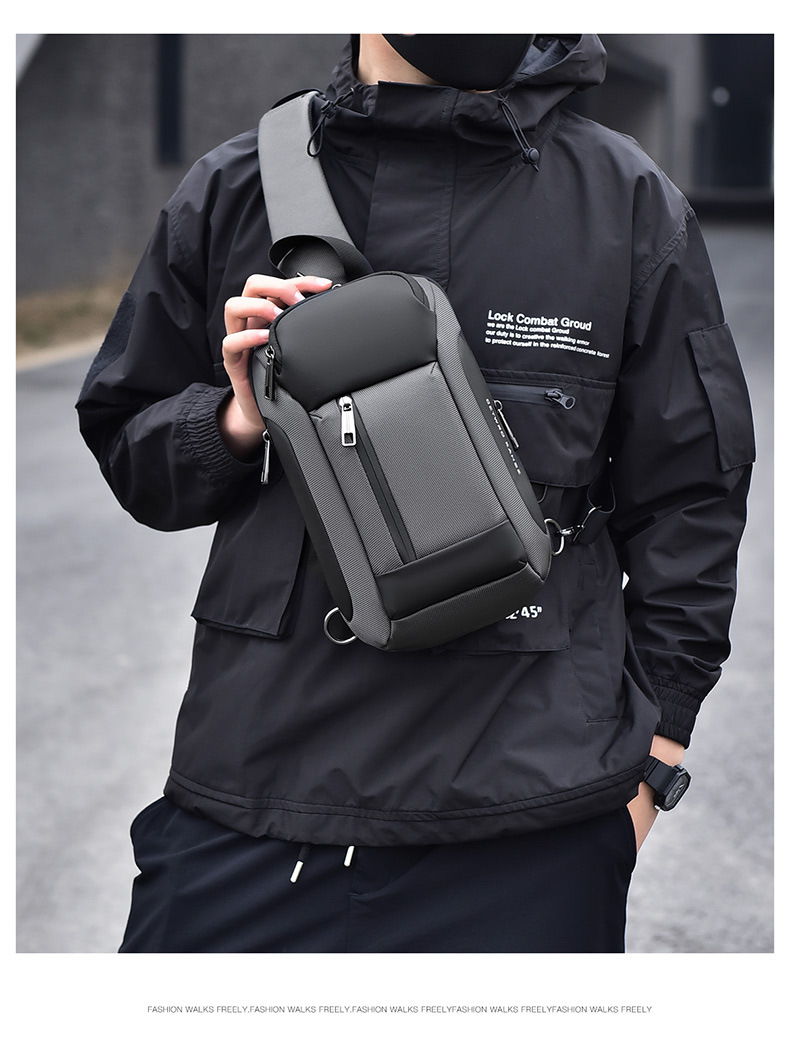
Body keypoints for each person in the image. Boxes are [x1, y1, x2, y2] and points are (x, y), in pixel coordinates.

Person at [76, 34, 755, 953]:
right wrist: (235, 418)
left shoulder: (625, 201)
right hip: (251, 803)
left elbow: (693, 496)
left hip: (532, 823)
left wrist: (657, 758)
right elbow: (130, 446)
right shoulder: (236, 187)